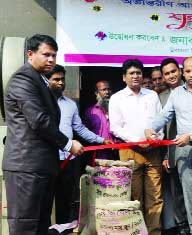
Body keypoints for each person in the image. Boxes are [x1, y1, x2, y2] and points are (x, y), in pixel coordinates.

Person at [2, 34, 84, 235]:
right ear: (30, 54)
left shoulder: (40, 80)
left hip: (42, 167)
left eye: (54, 56)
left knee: (40, 225)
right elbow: (39, 120)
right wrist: (67, 143)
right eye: (46, 55)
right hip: (26, 167)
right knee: (26, 226)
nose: (51, 60)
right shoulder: (23, 79)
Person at [145, 56, 192, 235]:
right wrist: (150, 128)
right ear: (182, 72)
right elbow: (165, 115)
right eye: (187, 71)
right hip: (182, 150)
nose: (191, 74)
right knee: (190, 197)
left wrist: (191, 135)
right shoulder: (177, 93)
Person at [46, 64, 114, 224]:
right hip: (46, 159)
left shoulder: (70, 104)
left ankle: (62, 229)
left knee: (65, 200)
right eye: (56, 79)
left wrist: (101, 140)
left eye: (62, 79)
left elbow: (80, 129)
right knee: (44, 201)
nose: (61, 83)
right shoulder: (40, 101)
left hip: (68, 159)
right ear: (46, 80)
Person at [109, 59, 163, 235]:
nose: (135, 76)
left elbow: (160, 121)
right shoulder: (117, 98)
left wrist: (155, 138)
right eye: (131, 73)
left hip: (153, 150)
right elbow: (115, 128)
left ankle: (154, 231)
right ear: (124, 77)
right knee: (134, 196)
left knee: (155, 195)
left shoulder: (152, 95)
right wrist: (136, 141)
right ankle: (136, 232)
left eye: (138, 73)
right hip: (129, 151)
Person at [157, 58, 189, 235]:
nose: (171, 76)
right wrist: (165, 156)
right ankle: (183, 226)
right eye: (167, 73)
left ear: (180, 71)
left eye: (173, 71)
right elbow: (161, 130)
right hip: (173, 152)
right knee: (177, 192)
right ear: (163, 76)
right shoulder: (161, 97)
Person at [84, 80, 116, 159]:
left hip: (117, 152)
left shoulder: (118, 109)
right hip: (98, 153)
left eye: (109, 89)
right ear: (96, 93)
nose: (107, 92)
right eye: (103, 90)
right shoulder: (90, 111)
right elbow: (84, 132)